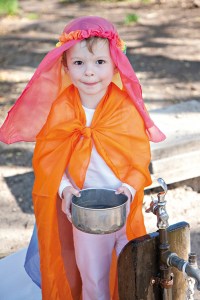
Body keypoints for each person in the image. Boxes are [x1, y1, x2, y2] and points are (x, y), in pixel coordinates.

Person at [0, 16, 165, 300]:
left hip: (124, 207)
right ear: (65, 65)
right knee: (93, 277)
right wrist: (65, 190)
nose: (90, 72)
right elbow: (49, 159)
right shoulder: (61, 109)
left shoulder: (125, 109)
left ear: (116, 63)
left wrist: (128, 188)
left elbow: (139, 161)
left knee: (135, 272)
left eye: (100, 62)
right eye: (79, 63)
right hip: (84, 212)